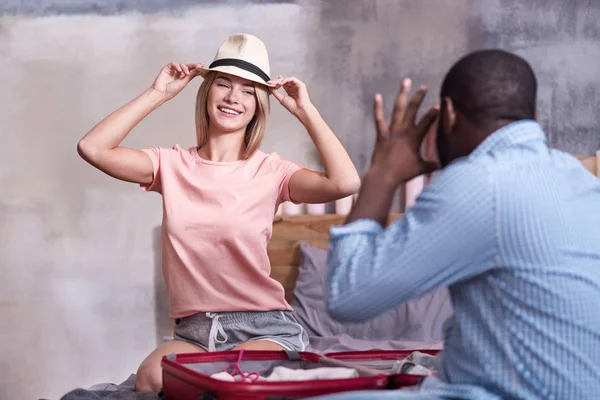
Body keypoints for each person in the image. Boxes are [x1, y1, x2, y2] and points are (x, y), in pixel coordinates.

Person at [77, 33, 360, 393]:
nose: (232, 98)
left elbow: (345, 183)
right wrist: (158, 94)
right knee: (151, 377)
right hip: (194, 333)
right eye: (223, 84)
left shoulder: (272, 172)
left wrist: (307, 112)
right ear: (207, 92)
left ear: (258, 104)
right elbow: (93, 147)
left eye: (246, 91)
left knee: (233, 378)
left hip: (263, 328)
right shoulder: (171, 164)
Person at [319, 49, 600, 399]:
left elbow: (348, 295)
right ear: (534, 116)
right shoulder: (582, 180)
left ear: (448, 115)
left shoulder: (480, 180)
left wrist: (383, 173)